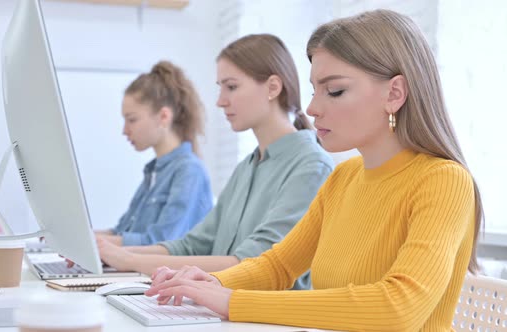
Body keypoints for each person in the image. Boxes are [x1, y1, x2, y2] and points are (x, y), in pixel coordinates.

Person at [146, 10, 483, 332]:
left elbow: (398, 307)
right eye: (314, 90)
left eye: (334, 91)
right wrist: (212, 282)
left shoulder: (443, 181)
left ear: (394, 93)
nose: (311, 108)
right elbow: (278, 265)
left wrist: (233, 301)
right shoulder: (344, 177)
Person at [94, 34, 334, 290]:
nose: (220, 100)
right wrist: (110, 253)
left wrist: (128, 259)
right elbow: (191, 245)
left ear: (273, 88)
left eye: (231, 87)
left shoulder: (311, 167)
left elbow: (255, 263)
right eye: (220, 87)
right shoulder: (247, 167)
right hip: (222, 309)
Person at [93, 61, 213, 246]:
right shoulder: (154, 172)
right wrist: (84, 239)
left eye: (132, 120)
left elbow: (161, 243)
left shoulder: (189, 171)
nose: (125, 130)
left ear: (164, 116)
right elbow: (122, 232)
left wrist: (98, 243)